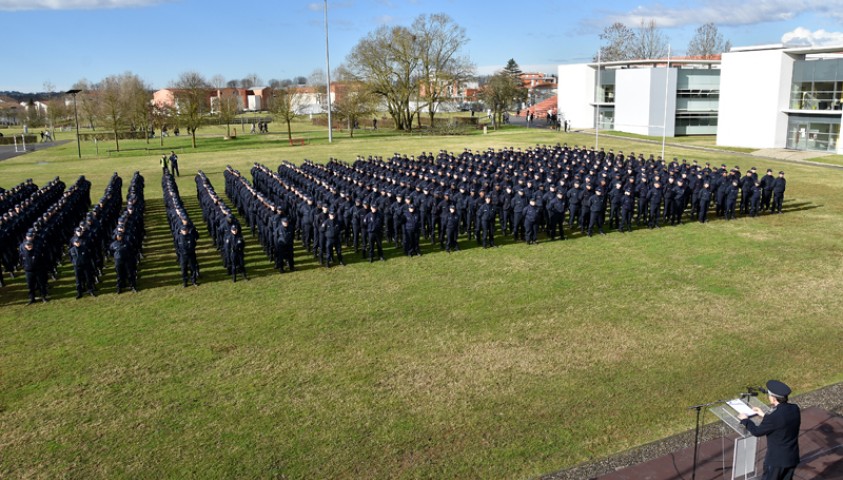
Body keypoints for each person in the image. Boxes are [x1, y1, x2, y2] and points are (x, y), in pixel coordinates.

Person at [738, 380, 801, 480]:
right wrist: (763, 415)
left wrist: (745, 420)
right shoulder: (794, 409)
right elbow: (782, 423)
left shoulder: (773, 417)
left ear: (773, 398)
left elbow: (757, 431)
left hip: (776, 461)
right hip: (791, 458)